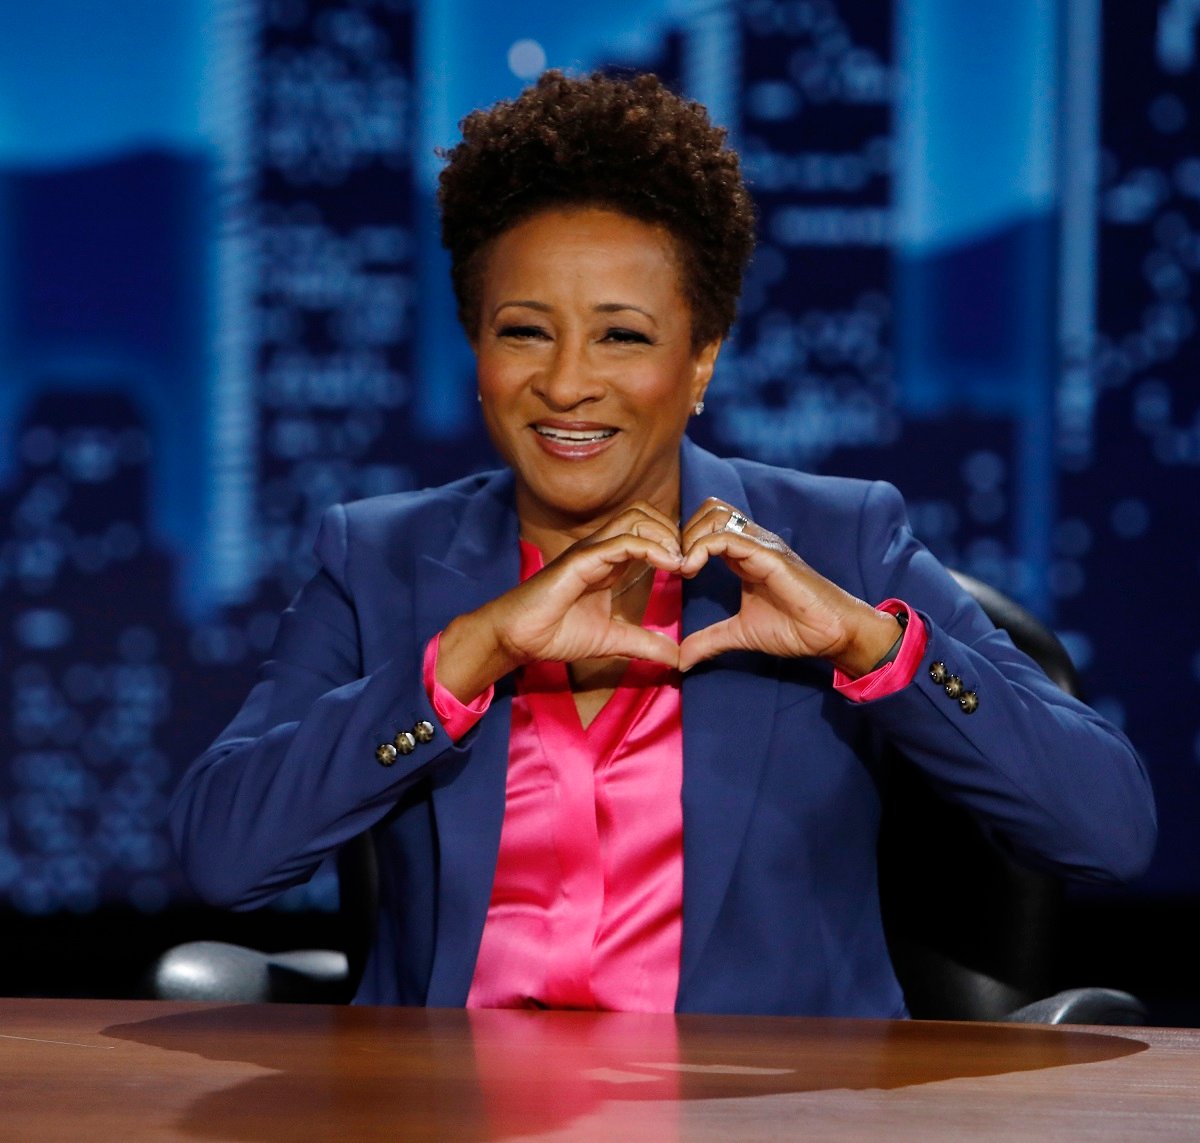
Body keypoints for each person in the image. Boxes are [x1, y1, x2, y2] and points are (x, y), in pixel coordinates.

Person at [169, 71, 1156, 1017]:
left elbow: (1110, 831)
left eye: (622, 337)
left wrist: (871, 645)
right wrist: (466, 658)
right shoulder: (377, 559)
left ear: (699, 362)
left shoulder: (840, 538)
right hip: (449, 1104)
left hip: (764, 1113)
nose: (564, 384)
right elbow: (224, 856)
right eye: (523, 332)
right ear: (476, 349)